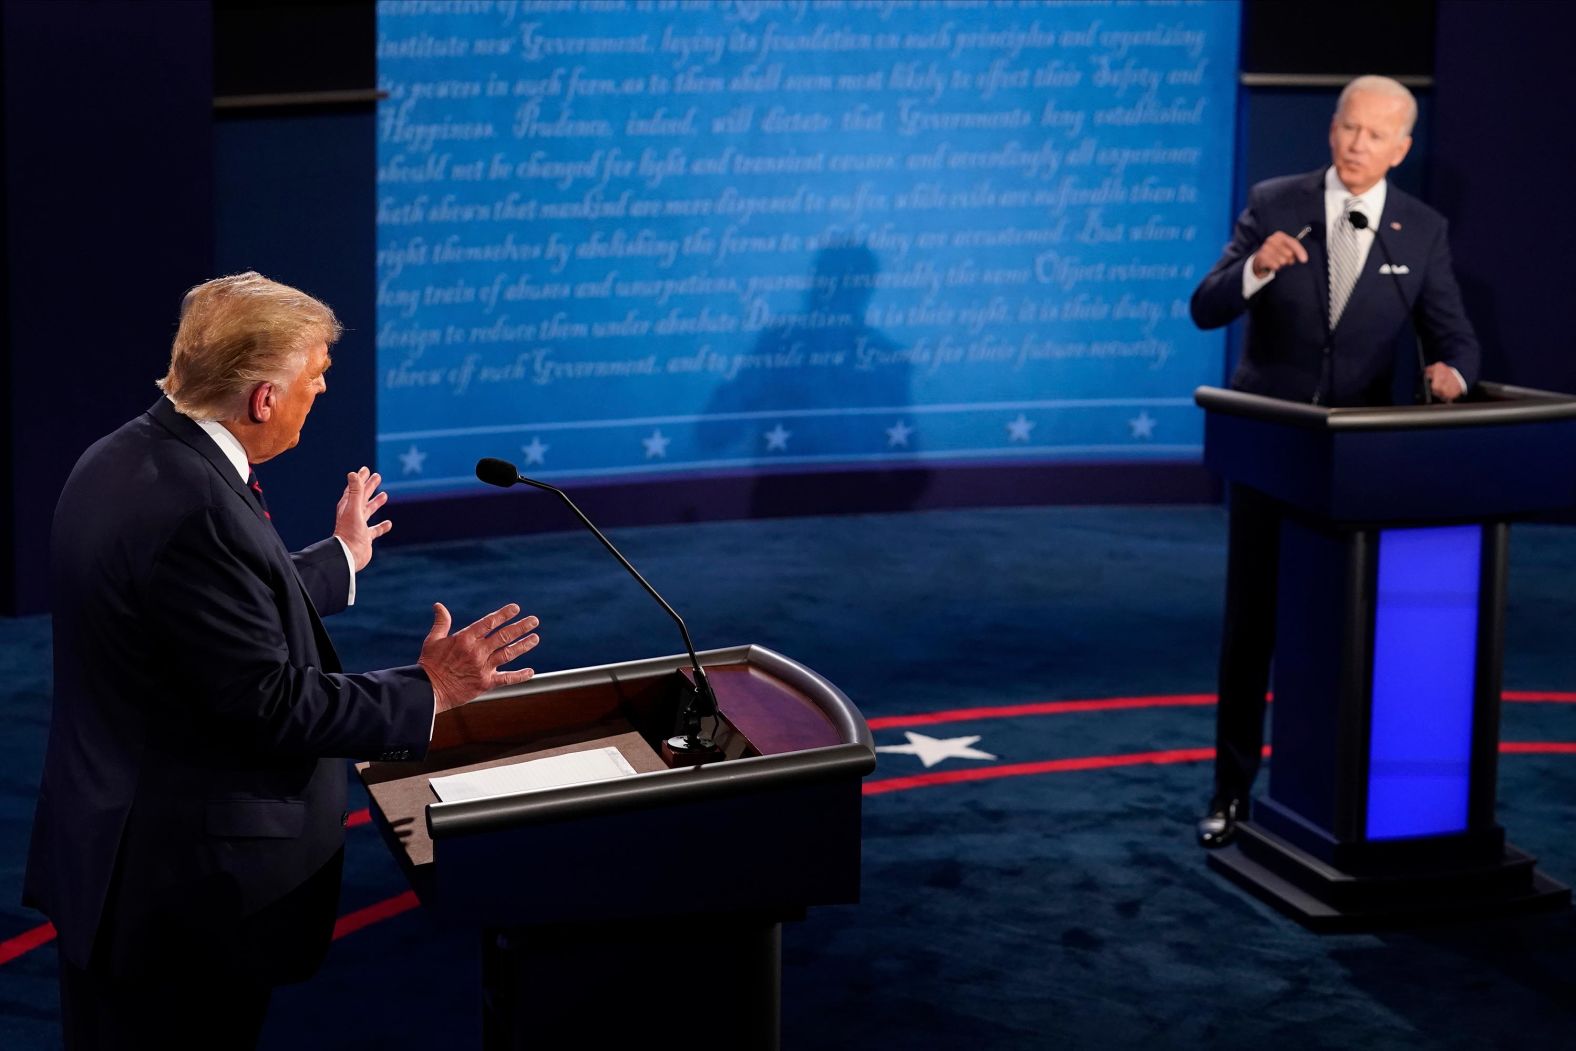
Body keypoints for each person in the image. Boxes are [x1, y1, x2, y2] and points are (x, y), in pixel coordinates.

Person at [23, 272, 542, 1047]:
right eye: (316, 376)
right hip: (183, 897)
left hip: (118, 864)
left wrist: (340, 558)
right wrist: (431, 689)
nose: (322, 389)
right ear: (264, 397)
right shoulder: (198, 507)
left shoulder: (122, 458)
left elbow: (202, 617)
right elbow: (269, 701)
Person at [1188, 76, 1481, 847]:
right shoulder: (1275, 201)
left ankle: (1335, 798)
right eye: (1348, 129)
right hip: (1271, 448)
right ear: (1331, 130)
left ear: (1401, 149)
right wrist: (1256, 270)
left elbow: (1456, 337)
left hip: (1361, 465)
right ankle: (1231, 791)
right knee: (1252, 628)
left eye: (1375, 136)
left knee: (1345, 634)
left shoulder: (1420, 230)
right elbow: (1205, 304)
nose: (1357, 146)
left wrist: (1453, 372)